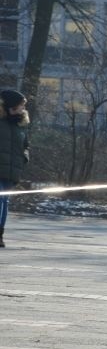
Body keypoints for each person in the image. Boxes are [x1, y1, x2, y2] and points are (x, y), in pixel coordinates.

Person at [0, 90, 30, 248]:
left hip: (12, 171)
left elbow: (26, 146)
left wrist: (24, 158)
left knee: (4, 202)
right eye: (21, 104)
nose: (23, 107)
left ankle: (0, 234)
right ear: (11, 105)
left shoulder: (22, 124)